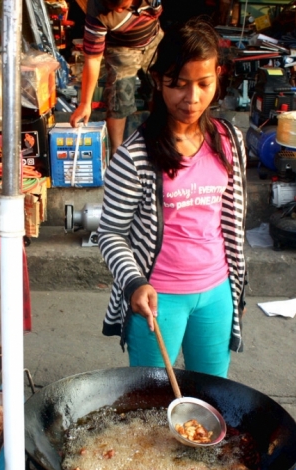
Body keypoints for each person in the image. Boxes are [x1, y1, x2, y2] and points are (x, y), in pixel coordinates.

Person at [97, 18, 248, 378]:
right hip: (157, 300)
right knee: (150, 402)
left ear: (217, 79)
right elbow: (111, 234)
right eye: (178, 85)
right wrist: (135, 283)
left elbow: (231, 221)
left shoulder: (230, 141)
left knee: (212, 397)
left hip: (217, 293)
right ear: (158, 81)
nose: (191, 97)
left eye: (203, 83)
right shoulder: (134, 156)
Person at [69, 0, 163, 153]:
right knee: (119, 96)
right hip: (121, 48)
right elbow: (93, 59)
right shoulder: (97, 12)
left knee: (161, 90)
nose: (119, 11)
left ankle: (158, 140)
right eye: (114, 7)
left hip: (154, 39)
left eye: (123, 6)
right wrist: (85, 103)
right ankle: (116, 151)